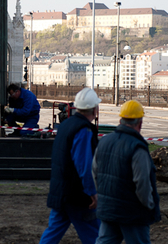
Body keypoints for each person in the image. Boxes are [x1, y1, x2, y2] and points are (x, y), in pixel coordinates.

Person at [93, 100, 161, 244]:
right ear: (140, 122)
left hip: (108, 208)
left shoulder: (104, 142)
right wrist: (149, 205)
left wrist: (103, 196)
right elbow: (142, 182)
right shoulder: (137, 147)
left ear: (120, 120)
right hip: (132, 212)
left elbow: (95, 173)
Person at [39, 87, 101, 244]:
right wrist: (92, 193)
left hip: (61, 191)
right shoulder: (84, 130)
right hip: (77, 195)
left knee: (53, 232)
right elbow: (85, 166)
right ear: (95, 109)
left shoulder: (66, 125)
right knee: (96, 235)